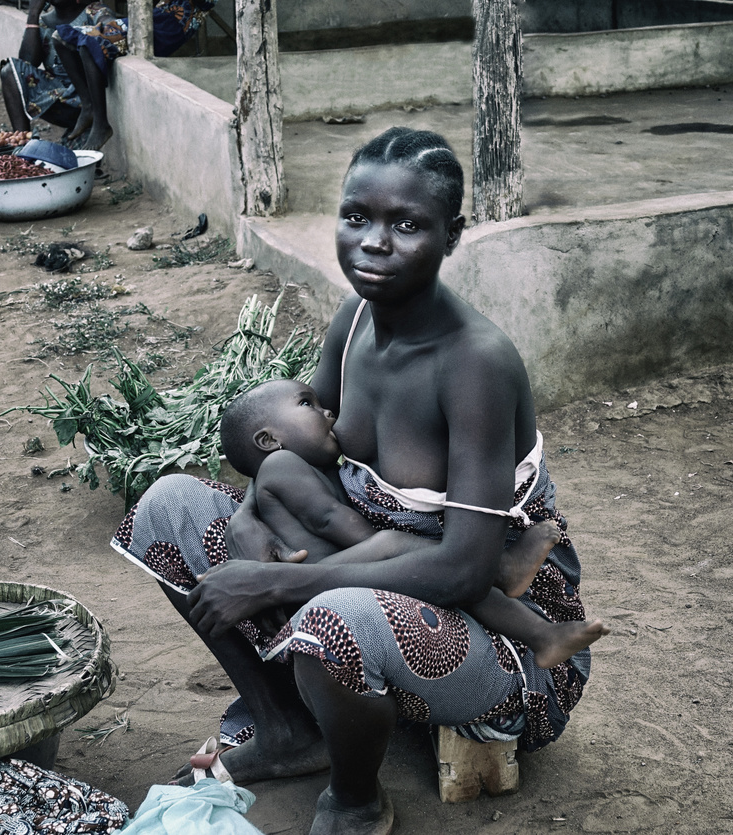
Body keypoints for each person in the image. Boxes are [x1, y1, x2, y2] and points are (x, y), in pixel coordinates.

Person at [112, 126, 600, 835]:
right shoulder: (354, 320)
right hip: (376, 569)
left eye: (407, 224)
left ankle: (355, 795)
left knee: (329, 619)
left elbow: (465, 568)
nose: (374, 241)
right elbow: (295, 454)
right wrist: (255, 520)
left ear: (451, 235)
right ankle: (287, 728)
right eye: (356, 217)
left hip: (504, 639)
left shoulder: (476, 365)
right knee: (168, 508)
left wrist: (275, 581)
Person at [219, 377, 607, 671]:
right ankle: (504, 572)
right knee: (401, 548)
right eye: (307, 404)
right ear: (268, 440)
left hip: (323, 582)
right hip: (310, 584)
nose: (327, 412)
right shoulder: (280, 465)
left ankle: (541, 635)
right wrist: (387, 546)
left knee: (447, 577)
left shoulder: (297, 466)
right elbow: (329, 518)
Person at [51, 0, 215, 151]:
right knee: (59, 38)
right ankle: (88, 106)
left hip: (170, 27)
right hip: (153, 19)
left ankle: (101, 124)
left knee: (90, 44)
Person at [0, 0, 83, 140]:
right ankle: (23, 143)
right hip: (60, 100)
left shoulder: (93, 13)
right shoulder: (44, 22)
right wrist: (33, 14)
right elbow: (26, 63)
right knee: (9, 71)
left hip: (88, 101)